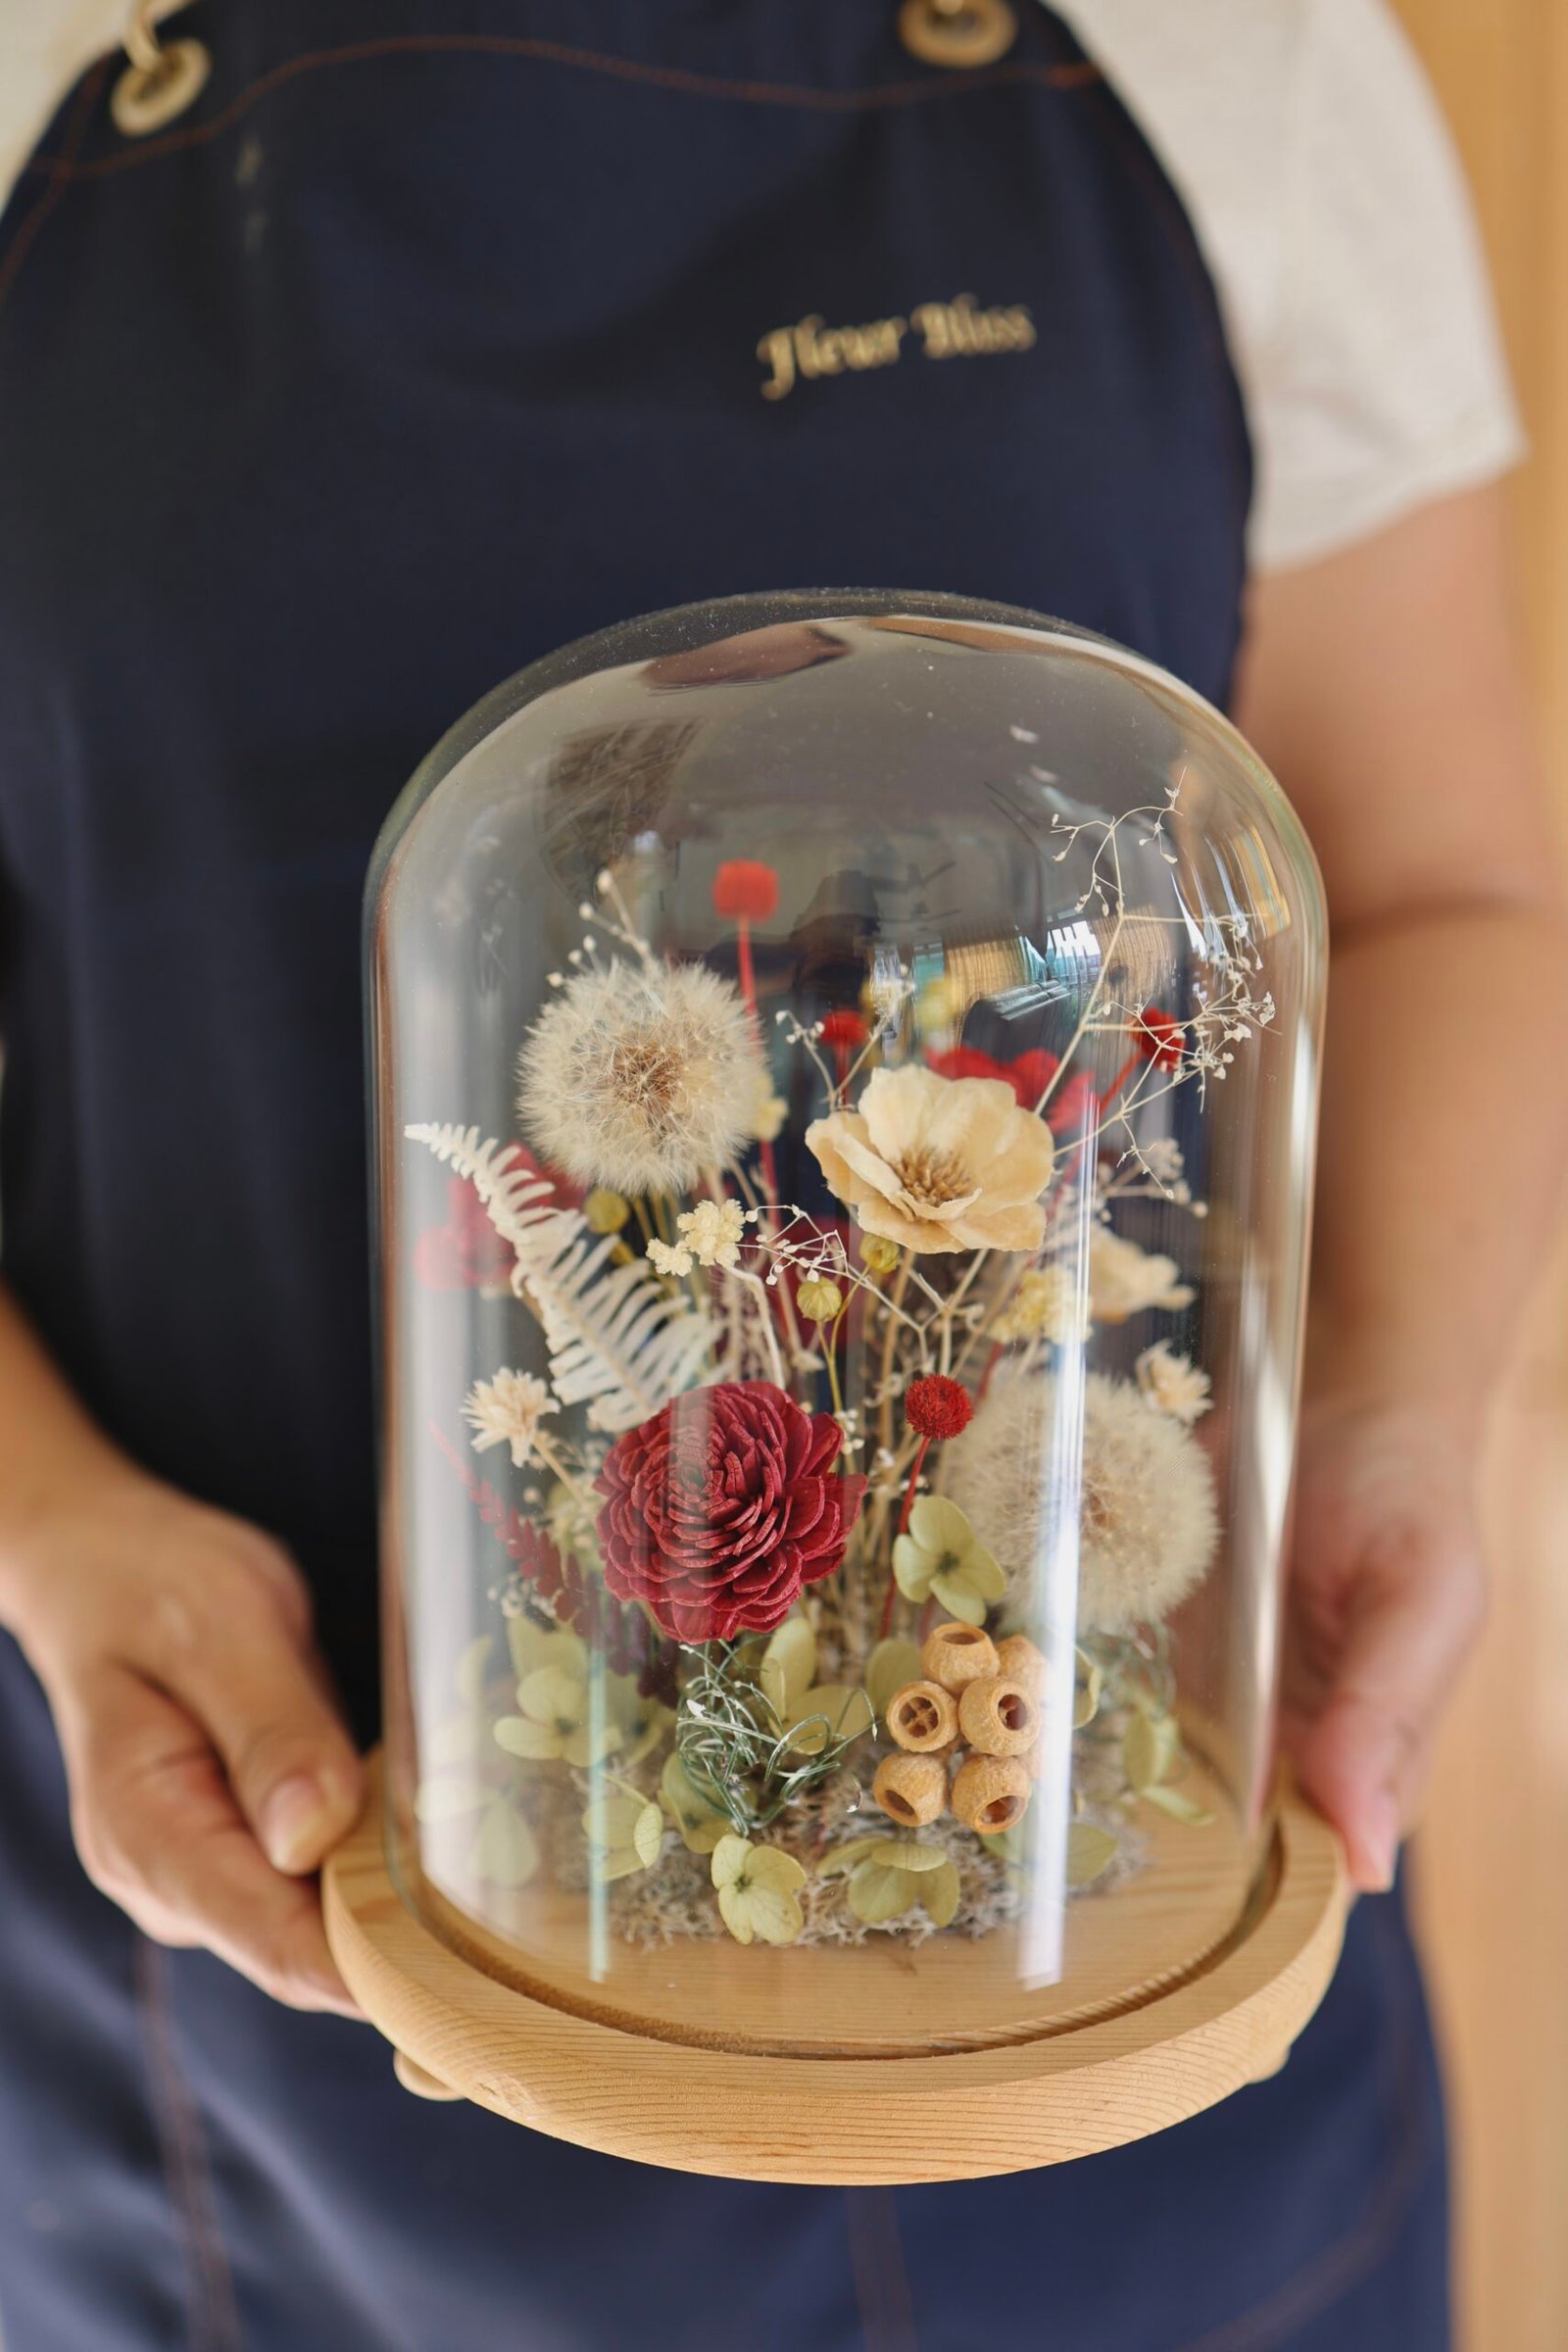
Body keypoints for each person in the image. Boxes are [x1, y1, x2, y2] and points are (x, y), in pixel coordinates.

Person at [0, 2, 1562, 2345]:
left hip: (1114, 1894)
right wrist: (52, 1531)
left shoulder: (1232, 47)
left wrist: (1394, 1407)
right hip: (283, 1968)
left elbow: (1432, 890)